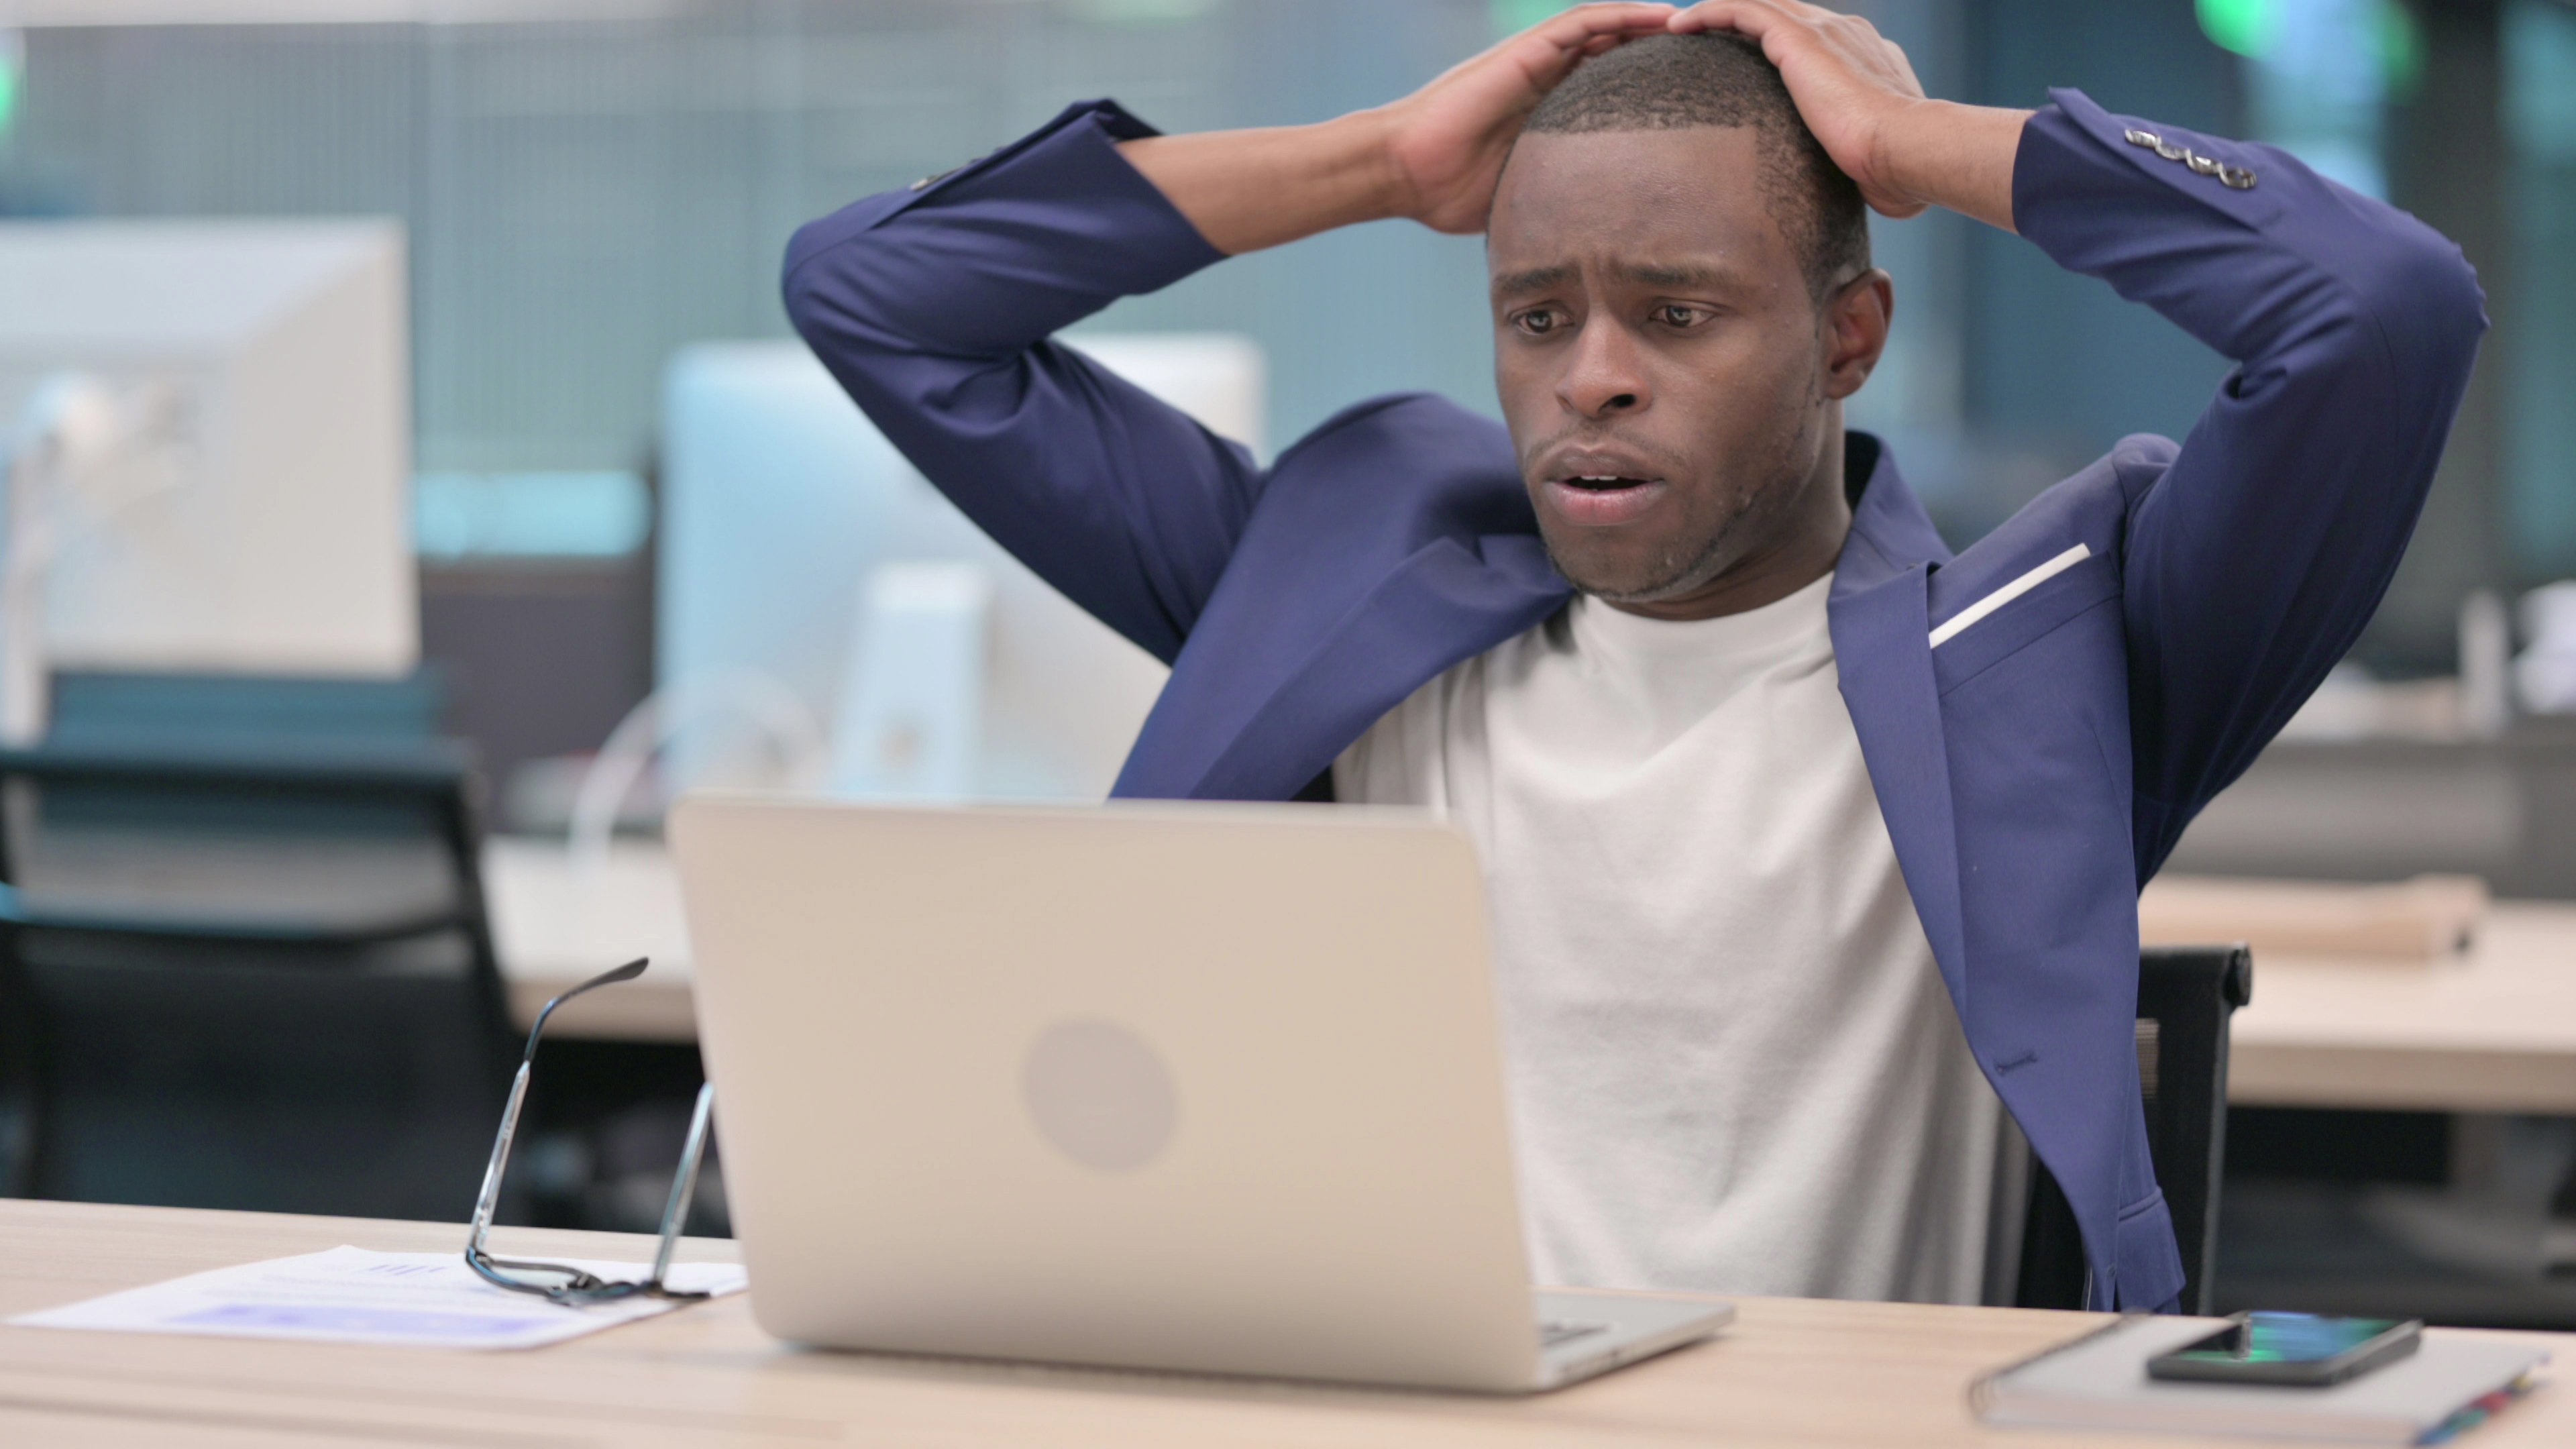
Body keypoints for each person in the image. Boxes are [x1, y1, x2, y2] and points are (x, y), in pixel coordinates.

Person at [781, 1, 2485, 1311]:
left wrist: (1910, 149)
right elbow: (875, 292)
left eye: (1676, 314)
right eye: (1538, 317)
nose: (1588, 376)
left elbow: (2380, 308)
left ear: (1848, 337)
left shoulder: (2050, 658)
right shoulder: (1335, 591)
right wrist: (1383, 166)